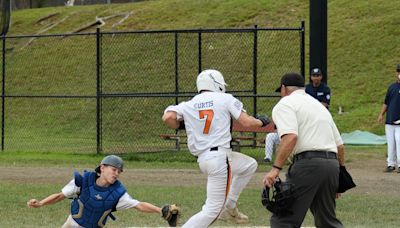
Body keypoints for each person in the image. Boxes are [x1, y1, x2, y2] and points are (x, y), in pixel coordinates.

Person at [162, 69, 269, 227]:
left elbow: (168, 117)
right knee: (212, 211)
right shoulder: (225, 98)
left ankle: (230, 206)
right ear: (217, 84)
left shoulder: (189, 104)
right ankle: (223, 209)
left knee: (249, 165)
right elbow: (247, 123)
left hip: (205, 159)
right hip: (219, 158)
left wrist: (182, 124)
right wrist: (261, 121)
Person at [263, 72, 345, 228]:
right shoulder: (318, 106)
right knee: (327, 221)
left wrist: (275, 169)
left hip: (308, 164)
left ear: (284, 88)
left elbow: (291, 137)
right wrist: (339, 177)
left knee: (283, 220)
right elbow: (340, 146)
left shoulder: (285, 103)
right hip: (332, 165)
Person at [27, 155, 170, 227]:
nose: (116, 173)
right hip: (72, 224)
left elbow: (138, 205)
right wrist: (40, 203)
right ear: (102, 168)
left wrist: (160, 210)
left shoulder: (117, 193)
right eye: (114, 169)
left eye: (119, 172)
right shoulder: (84, 180)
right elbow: (60, 196)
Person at [378, 64, 400, 173]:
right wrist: (381, 114)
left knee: (399, 141)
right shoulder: (392, 87)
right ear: (396, 73)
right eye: (398, 71)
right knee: (391, 143)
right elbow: (386, 102)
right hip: (390, 121)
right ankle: (391, 164)